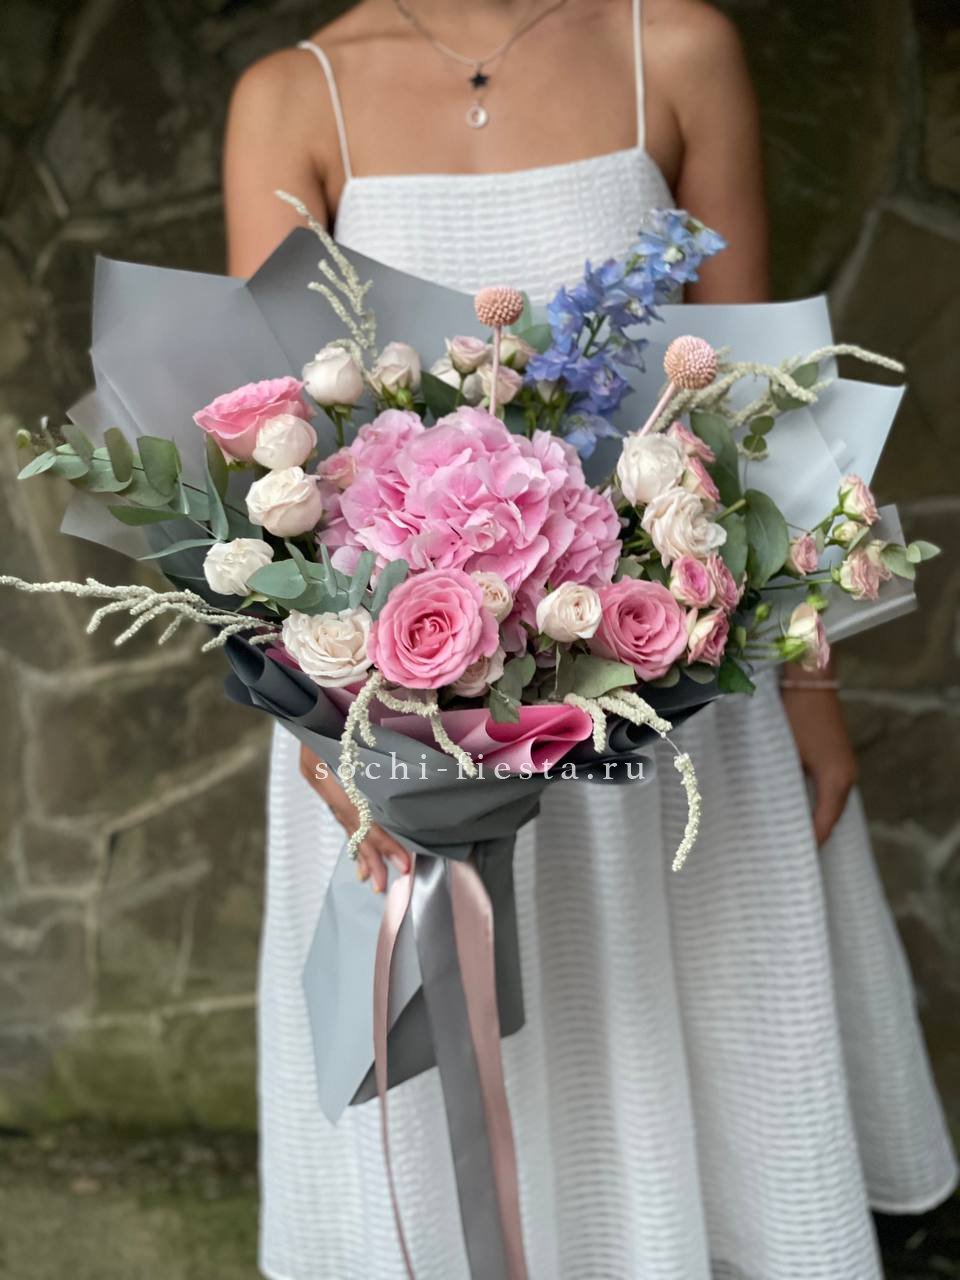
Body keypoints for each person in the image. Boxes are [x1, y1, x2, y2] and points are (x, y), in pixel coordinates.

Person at [223, 2, 957, 1276]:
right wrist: (324, 720)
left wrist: (813, 686)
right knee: (451, 1097)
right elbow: (270, 448)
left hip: (668, 683)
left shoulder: (674, 46)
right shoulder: (293, 94)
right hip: (406, 709)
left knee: (705, 1019)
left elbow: (762, 396)